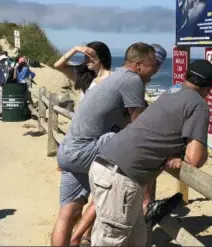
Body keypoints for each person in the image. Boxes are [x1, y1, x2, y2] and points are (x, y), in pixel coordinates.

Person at [88, 59, 212, 247]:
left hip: (105, 163)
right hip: (121, 177)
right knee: (111, 241)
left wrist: (176, 151)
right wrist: (184, 155)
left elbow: (162, 129)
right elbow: (195, 158)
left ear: (187, 76)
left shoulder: (172, 91)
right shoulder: (198, 104)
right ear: (208, 87)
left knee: (136, 240)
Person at [51, 43, 157, 247]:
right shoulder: (132, 80)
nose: (155, 70)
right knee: (124, 141)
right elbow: (137, 127)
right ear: (138, 65)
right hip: (85, 150)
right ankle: (145, 202)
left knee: (67, 214)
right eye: (152, 65)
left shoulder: (114, 78)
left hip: (67, 150)